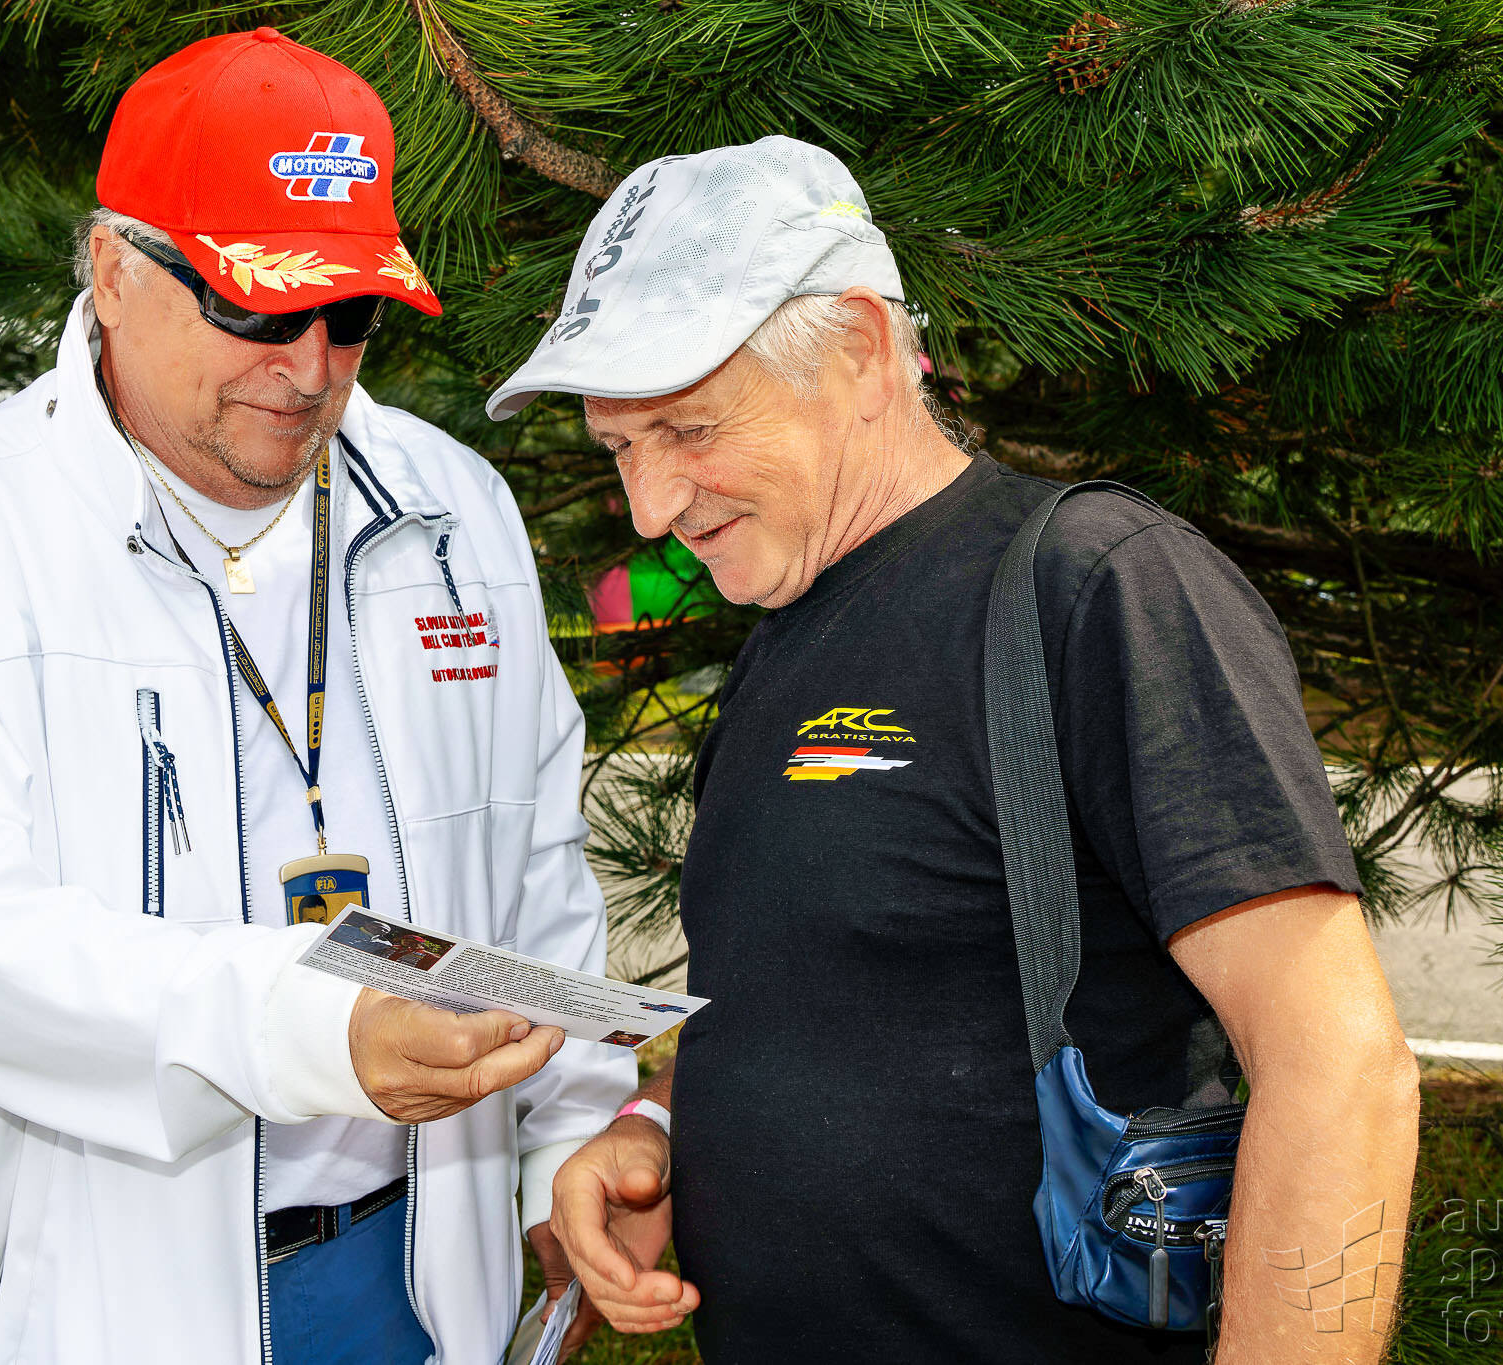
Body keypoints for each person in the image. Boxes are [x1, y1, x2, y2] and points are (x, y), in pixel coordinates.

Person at [490, 137, 1422, 1363]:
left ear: (862, 352)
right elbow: (834, 1003)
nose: (651, 507)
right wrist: (658, 1132)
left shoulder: (1093, 588)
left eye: (689, 428)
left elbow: (1336, 1064)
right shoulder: (785, 625)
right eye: (619, 447)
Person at [0, 30, 630, 1365]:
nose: (310, 368)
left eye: (349, 315)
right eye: (257, 309)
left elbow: (531, 855)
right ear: (112, 270)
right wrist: (300, 1026)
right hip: (88, 1309)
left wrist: (575, 1134)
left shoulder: (452, 509)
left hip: (418, 1284)